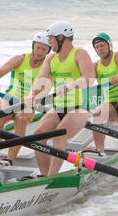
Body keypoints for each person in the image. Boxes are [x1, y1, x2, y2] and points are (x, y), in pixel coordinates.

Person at [25, 21, 95, 176]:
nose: (48, 41)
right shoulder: (51, 58)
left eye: (50, 38)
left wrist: (72, 85)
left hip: (79, 108)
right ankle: (44, 177)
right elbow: (40, 79)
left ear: (61, 37)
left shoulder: (80, 54)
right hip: (58, 108)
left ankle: (52, 177)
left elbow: (90, 77)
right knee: (37, 136)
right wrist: (31, 95)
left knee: (59, 136)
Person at [0, 32, 51, 163]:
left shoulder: (48, 68)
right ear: (33, 46)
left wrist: (30, 99)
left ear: (48, 51)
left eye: (44, 49)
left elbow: (44, 90)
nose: (40, 52)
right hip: (10, 97)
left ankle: (10, 159)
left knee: (21, 119)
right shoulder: (20, 59)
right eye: (38, 47)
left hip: (29, 103)